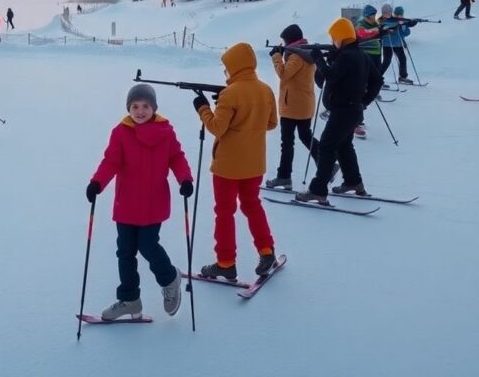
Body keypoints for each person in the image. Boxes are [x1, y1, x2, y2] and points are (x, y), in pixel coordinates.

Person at [86, 84, 192, 321]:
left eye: (145, 106)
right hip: (126, 205)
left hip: (153, 203)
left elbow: (176, 157)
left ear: (154, 108)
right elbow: (110, 162)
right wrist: (97, 183)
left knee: (148, 245)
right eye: (135, 106)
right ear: (128, 108)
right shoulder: (121, 132)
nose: (140, 111)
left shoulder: (165, 132)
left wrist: (184, 179)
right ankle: (130, 300)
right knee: (125, 252)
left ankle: (170, 279)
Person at [192, 42, 278, 281]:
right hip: (254, 164)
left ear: (234, 67)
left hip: (228, 167)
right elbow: (271, 123)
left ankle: (226, 262)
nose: (225, 73)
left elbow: (217, 127)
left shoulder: (230, 94)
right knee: (252, 205)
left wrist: (203, 108)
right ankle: (266, 250)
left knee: (225, 212)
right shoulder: (265, 89)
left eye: (226, 68)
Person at [295, 18, 383, 204]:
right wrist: (363, 102)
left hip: (343, 111)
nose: (333, 41)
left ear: (342, 38)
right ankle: (353, 182)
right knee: (344, 146)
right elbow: (377, 81)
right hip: (352, 111)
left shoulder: (347, 57)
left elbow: (331, 76)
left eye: (334, 38)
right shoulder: (359, 55)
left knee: (327, 146)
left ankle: (318, 190)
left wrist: (319, 58)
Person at [265, 24, 319, 190]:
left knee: (287, 142)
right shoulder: (306, 53)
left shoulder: (296, 56)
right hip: (302, 104)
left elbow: (283, 74)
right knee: (305, 137)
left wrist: (276, 57)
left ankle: (284, 176)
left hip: (293, 105)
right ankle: (327, 164)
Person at [353, 5, 382, 137]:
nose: (373, 17)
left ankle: (369, 98)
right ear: (366, 15)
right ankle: (358, 119)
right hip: (366, 54)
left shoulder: (375, 23)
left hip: (376, 53)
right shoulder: (361, 23)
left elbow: (378, 32)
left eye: (374, 14)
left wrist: (383, 30)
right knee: (361, 86)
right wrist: (377, 30)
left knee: (375, 80)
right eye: (371, 14)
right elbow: (363, 33)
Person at [379, 4, 415, 85]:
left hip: (397, 44)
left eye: (388, 12)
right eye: (385, 12)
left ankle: (403, 76)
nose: (387, 14)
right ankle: (377, 78)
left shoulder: (396, 20)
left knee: (403, 59)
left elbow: (405, 33)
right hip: (387, 44)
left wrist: (404, 25)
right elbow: (383, 28)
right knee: (386, 61)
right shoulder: (382, 20)